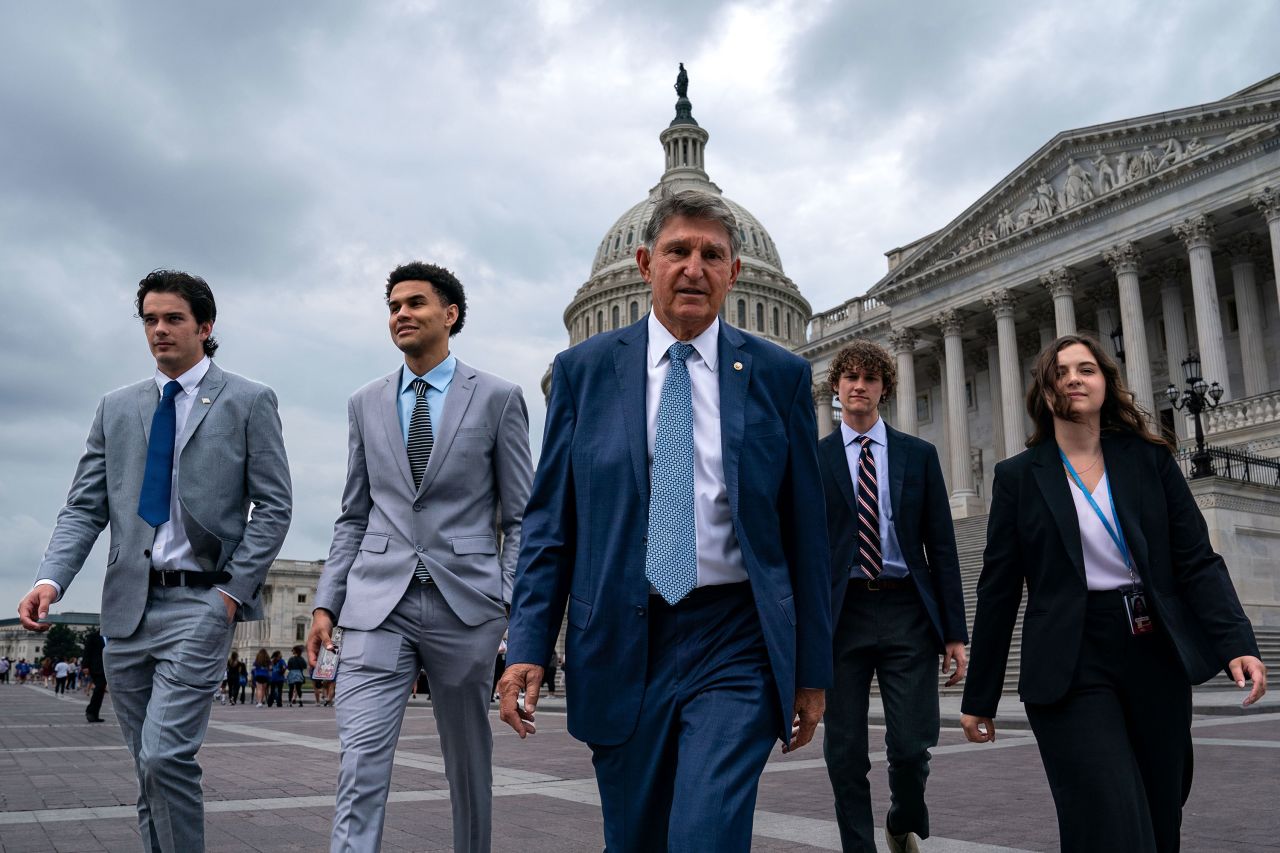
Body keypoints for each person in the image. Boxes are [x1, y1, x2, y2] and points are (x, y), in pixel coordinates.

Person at [498, 188, 831, 852]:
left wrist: (812, 669)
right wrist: (529, 642)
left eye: (712, 254)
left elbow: (807, 533)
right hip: (622, 633)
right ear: (646, 263)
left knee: (705, 831)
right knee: (635, 837)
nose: (694, 267)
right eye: (678, 250)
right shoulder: (582, 373)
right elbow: (550, 526)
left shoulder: (780, 376)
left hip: (735, 636)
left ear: (734, 274)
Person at [16, 269, 291, 852]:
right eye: (150, 320)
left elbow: (273, 505)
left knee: (166, 753)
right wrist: (51, 578)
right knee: (149, 766)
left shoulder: (248, 400)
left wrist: (232, 593)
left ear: (205, 326)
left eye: (172, 319)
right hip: (128, 609)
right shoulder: (116, 408)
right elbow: (84, 507)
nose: (159, 330)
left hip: (203, 601)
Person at [961, 334, 1267, 852]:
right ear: (1044, 390)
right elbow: (997, 591)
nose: (1075, 379)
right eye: (1061, 372)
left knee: (1161, 810)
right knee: (1106, 811)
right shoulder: (1018, 477)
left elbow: (1196, 560)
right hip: (1070, 657)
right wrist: (980, 696)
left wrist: (1237, 640)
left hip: (1151, 647)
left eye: (1087, 369)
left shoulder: (1148, 459)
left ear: (1106, 383)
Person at [308, 261, 533, 853]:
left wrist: (507, 599)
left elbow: (521, 517)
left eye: (415, 304)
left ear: (450, 315)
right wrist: (327, 601)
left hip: (468, 605)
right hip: (377, 602)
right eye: (393, 307)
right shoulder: (364, 402)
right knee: (359, 764)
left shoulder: (499, 399)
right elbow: (354, 513)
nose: (401, 314)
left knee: (467, 764)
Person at [818, 340, 968, 853]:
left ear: (885, 387)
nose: (859, 386)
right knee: (843, 751)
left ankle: (902, 817)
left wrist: (954, 633)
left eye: (870, 378)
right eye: (850, 378)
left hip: (907, 607)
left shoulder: (917, 455)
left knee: (911, 744)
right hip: (842, 614)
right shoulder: (813, 460)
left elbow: (943, 548)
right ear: (836, 388)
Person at [83, 629, 107, 722]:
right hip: (96, 667)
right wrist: (85, 666)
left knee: (100, 691)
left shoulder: (112, 636)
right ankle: (90, 712)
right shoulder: (94, 636)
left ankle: (94, 714)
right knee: (100, 688)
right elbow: (87, 651)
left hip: (108, 667)